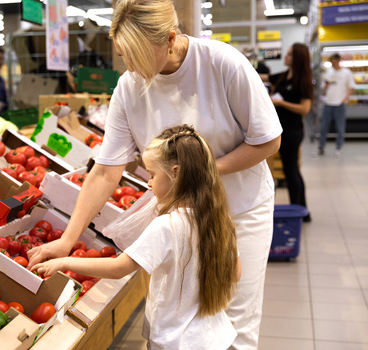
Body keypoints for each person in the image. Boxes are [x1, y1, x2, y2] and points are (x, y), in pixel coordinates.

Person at [28, 0, 282, 348]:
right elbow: (105, 172)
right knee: (177, 319)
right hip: (179, 221)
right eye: (123, 55)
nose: (130, 67)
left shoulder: (223, 64)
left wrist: (201, 172)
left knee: (233, 324)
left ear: (171, 39)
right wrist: (68, 239)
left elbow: (267, 140)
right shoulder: (129, 86)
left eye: (137, 56)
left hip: (238, 211)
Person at [32, 125, 241, 349]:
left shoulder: (167, 225)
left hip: (176, 340)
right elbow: (235, 274)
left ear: (176, 173)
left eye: (152, 175)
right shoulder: (219, 218)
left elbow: (119, 268)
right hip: (212, 337)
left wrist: (64, 261)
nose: (149, 183)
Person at [269, 43, 313, 222]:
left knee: (291, 170)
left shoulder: (302, 81)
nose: (285, 57)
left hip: (293, 131)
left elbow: (305, 108)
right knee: (290, 170)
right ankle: (302, 210)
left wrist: (281, 103)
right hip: (281, 130)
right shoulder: (283, 77)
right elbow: (263, 76)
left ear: (297, 59)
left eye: (289, 54)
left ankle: (300, 210)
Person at [315, 53, 355, 158]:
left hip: (339, 104)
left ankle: (338, 148)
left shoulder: (346, 73)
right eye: (331, 62)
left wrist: (344, 99)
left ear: (338, 60)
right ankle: (321, 147)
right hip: (328, 103)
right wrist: (326, 84)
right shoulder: (329, 72)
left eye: (334, 62)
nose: (333, 64)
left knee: (340, 127)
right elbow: (324, 87)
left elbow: (351, 87)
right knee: (323, 127)